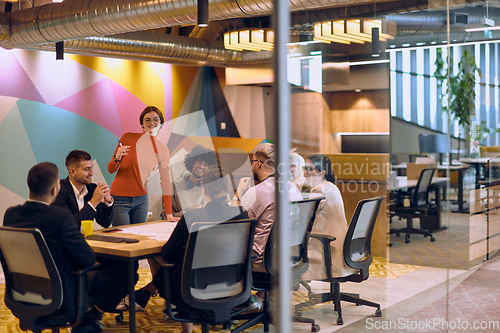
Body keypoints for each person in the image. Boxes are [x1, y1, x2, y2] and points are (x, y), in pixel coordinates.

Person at [3, 162, 128, 333]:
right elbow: (88, 260)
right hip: (63, 292)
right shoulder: (60, 217)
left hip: (23, 290)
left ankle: (86, 320)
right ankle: (87, 320)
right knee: (127, 271)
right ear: (55, 190)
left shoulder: (11, 214)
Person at [151, 166, 249, 333]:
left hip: (194, 285)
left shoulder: (193, 216)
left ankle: (186, 329)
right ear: (228, 189)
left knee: (174, 266)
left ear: (203, 189)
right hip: (233, 281)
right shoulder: (242, 214)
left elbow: (168, 253)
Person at [238, 143, 303, 310]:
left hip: (261, 261)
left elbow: (235, 225)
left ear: (259, 163)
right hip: (289, 257)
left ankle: (230, 304)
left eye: (252, 161)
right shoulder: (293, 188)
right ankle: (258, 301)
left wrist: (238, 196)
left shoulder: (256, 192)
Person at [108, 106, 179, 226]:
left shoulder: (163, 149)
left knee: (139, 237)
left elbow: (165, 181)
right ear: (142, 123)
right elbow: (110, 170)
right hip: (119, 199)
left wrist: (169, 214)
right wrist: (117, 157)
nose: (152, 123)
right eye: (147, 120)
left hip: (141, 200)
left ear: (161, 123)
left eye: (156, 119)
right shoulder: (127, 138)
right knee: (123, 238)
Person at [300, 154, 358, 281]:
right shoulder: (331, 186)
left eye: (310, 169)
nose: (305, 173)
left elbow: (304, 217)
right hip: (342, 246)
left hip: (327, 248)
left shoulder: (318, 190)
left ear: (322, 172)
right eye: (305, 168)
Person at [52, 150, 113, 228]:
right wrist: (93, 202)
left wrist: (108, 201)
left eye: (91, 168)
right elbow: (68, 224)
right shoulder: (59, 190)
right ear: (72, 172)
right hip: (66, 239)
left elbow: (105, 222)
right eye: (87, 169)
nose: (91, 173)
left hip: (87, 238)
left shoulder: (92, 188)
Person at [171, 145, 218, 217]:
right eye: (199, 162)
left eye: (206, 165)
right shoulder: (174, 187)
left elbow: (223, 210)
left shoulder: (213, 187)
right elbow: (166, 217)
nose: (201, 166)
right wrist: (189, 212)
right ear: (192, 162)